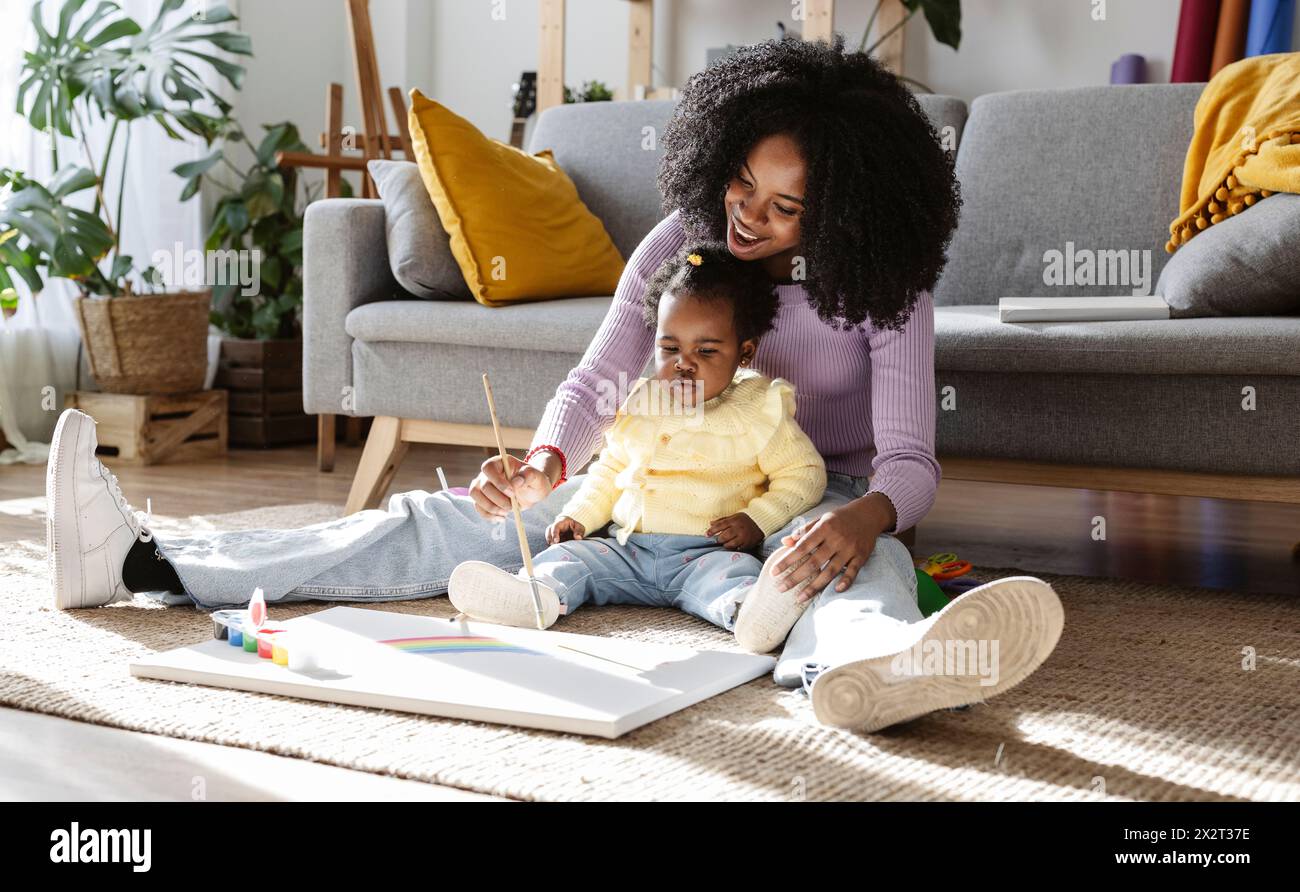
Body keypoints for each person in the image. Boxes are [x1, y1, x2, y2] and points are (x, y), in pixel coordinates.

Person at [44, 34, 1063, 732]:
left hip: (801, 493)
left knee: (850, 567)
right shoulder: (680, 244)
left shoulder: (887, 286)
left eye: (784, 207)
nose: (747, 218)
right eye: (741, 186)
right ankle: (144, 560)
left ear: (842, 214)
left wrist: (870, 514)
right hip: (645, 479)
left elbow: (908, 462)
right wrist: (540, 465)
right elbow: (596, 382)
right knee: (439, 525)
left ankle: (870, 672)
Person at [449, 242, 828, 654]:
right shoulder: (641, 399)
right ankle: (533, 596)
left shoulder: (759, 408)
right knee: (571, 559)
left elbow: (804, 475)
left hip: (706, 553)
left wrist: (757, 519)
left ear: (744, 352)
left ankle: (752, 616)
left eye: (706, 351)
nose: (684, 363)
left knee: (736, 577)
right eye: (670, 349)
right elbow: (611, 471)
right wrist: (578, 515)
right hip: (626, 548)